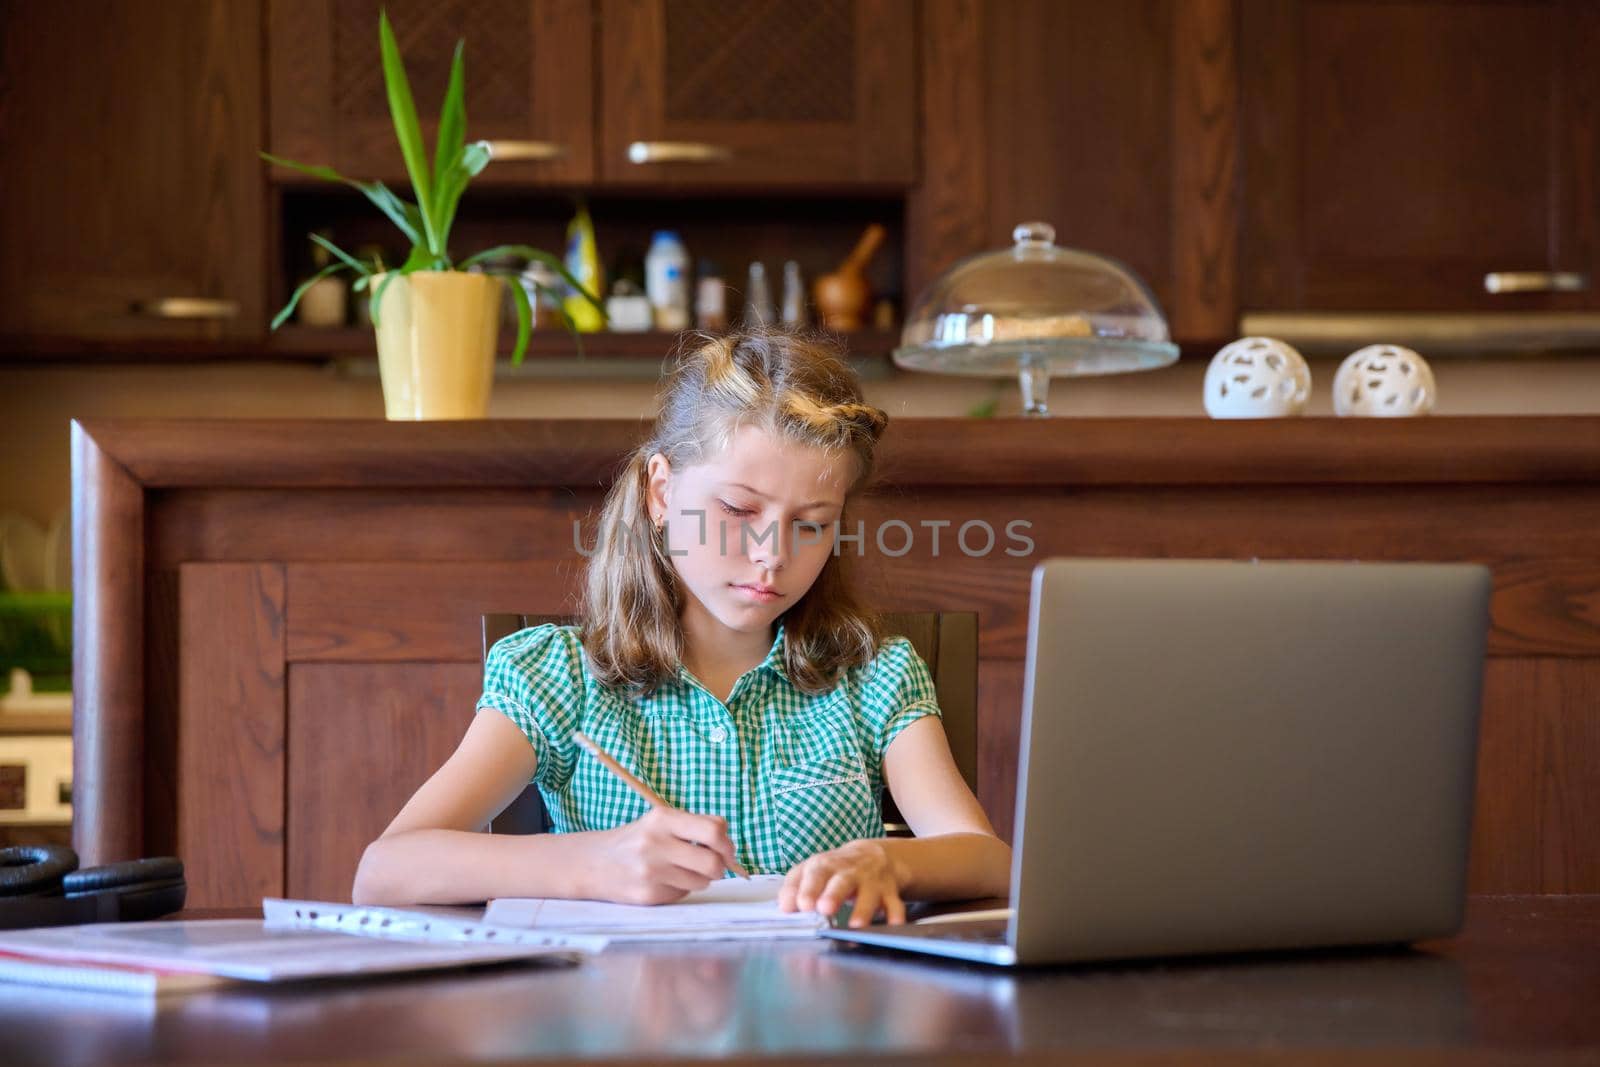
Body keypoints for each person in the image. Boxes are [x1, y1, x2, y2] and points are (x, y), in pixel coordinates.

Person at [352, 330, 1011, 927]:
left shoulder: (874, 675)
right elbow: (385, 871)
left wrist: (891, 862)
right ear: (662, 492)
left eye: (811, 523)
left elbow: (988, 859)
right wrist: (592, 864)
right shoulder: (554, 676)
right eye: (738, 508)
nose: (773, 554)